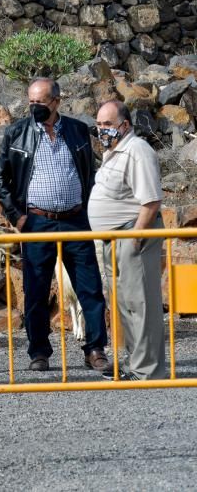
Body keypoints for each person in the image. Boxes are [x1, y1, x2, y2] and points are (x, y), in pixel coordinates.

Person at [0, 77, 109, 373]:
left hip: (75, 220)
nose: (34, 107)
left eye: (40, 102)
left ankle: (95, 349)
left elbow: (90, 174)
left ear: (56, 102)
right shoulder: (17, 133)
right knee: (35, 290)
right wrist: (16, 216)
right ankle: (39, 352)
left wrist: (90, 212)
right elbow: (0, 178)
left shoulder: (78, 130)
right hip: (37, 222)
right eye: (30, 102)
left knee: (90, 288)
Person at [89, 100, 166, 381]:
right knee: (125, 305)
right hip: (116, 237)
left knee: (141, 303)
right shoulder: (114, 152)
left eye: (107, 124)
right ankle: (135, 365)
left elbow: (151, 200)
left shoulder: (137, 151)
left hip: (132, 234)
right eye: (99, 124)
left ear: (125, 124)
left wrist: (135, 240)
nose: (102, 130)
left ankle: (148, 370)